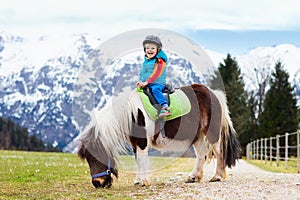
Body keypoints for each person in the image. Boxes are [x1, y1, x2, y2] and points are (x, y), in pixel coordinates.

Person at [136, 35, 171, 118]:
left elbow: (157, 73)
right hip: (147, 83)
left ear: (158, 50)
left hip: (157, 83)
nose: (150, 50)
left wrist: (147, 82)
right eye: (147, 48)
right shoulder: (146, 62)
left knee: (155, 90)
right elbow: (142, 73)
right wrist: (140, 81)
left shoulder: (160, 60)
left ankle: (165, 107)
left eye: (152, 48)